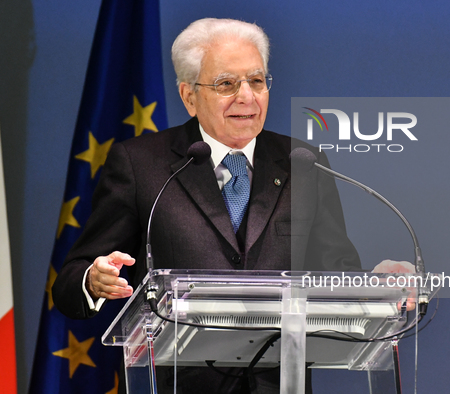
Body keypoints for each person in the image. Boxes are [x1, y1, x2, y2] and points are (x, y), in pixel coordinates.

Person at [53, 18, 364, 393]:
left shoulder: (303, 162)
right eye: (226, 84)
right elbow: (71, 282)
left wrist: (378, 285)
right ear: (188, 97)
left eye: (257, 80)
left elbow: (338, 274)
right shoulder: (141, 165)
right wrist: (93, 279)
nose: (247, 96)